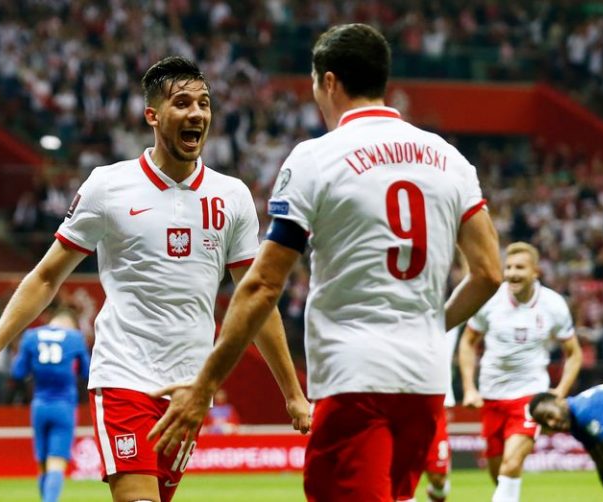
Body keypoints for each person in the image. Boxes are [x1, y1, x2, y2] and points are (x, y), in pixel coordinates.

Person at [148, 23, 502, 502]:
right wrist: (433, 324)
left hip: (356, 378)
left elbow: (262, 285)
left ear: (328, 82)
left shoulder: (317, 158)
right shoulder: (449, 159)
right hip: (425, 383)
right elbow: (489, 273)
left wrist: (205, 384)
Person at [0, 56, 311, 502]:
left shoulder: (232, 196)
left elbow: (256, 297)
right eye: (182, 103)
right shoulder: (109, 186)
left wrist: (292, 393)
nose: (197, 113)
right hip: (123, 375)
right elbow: (47, 277)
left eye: (204, 103)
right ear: (152, 115)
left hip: (189, 389)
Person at [459, 241, 583, 502]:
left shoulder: (553, 304)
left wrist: (559, 392)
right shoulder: (490, 299)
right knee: (499, 475)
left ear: (535, 271)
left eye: (520, 267)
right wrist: (469, 387)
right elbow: (468, 343)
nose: (512, 273)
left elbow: (574, 353)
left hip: (529, 396)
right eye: (509, 267)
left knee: (511, 463)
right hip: (491, 396)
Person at [10, 308, 90, 502]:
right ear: (70, 324)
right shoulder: (74, 337)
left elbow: (18, 372)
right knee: (56, 463)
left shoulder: (31, 336)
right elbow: (87, 372)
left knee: (43, 464)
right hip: (64, 406)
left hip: (39, 405)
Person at [529, 382, 603, 502]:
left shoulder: (585, 413)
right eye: (545, 423)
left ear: (560, 401)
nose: (551, 424)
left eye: (549, 416)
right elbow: (602, 464)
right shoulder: (576, 427)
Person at [423, 325, 461, 502]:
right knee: (401, 472)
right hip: (403, 398)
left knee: (438, 478)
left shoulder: (446, 317)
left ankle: (435, 494)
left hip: (439, 400)